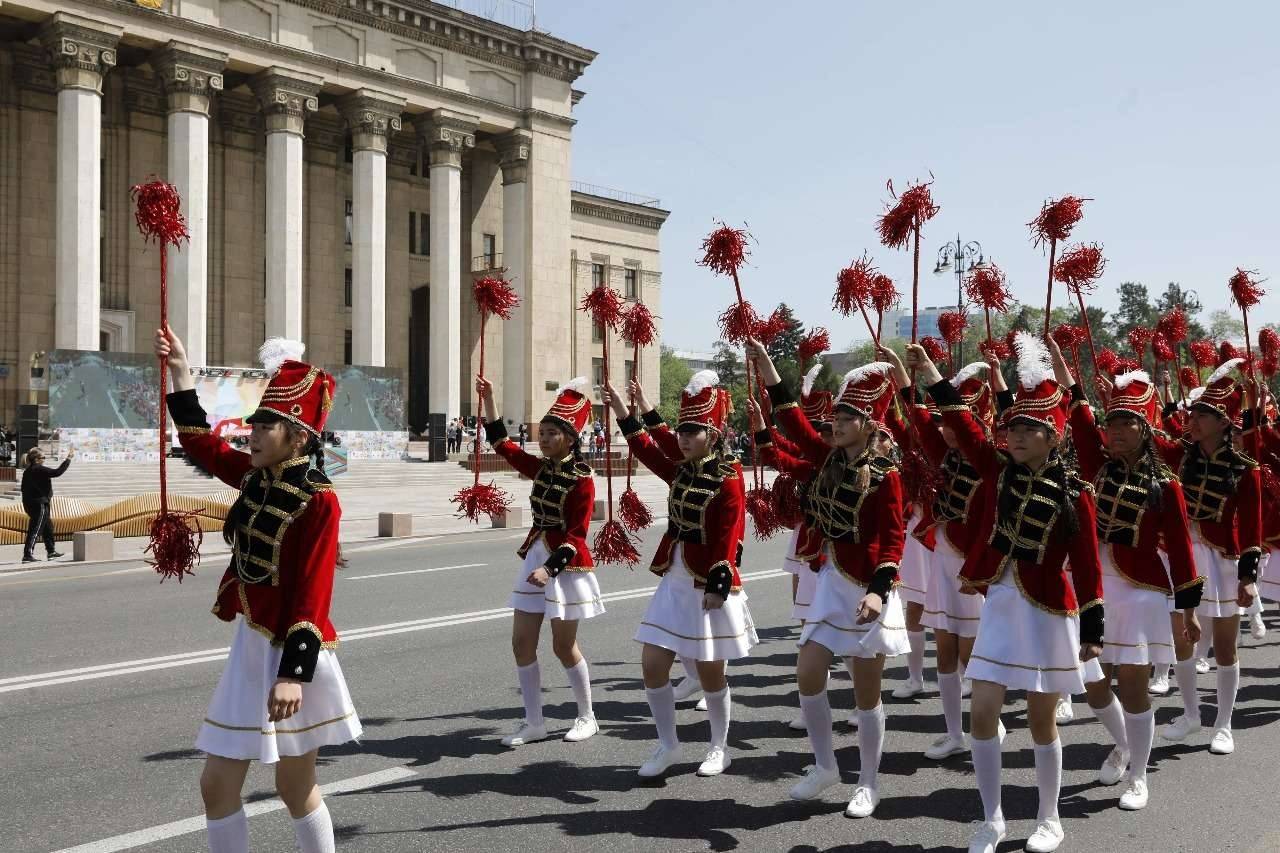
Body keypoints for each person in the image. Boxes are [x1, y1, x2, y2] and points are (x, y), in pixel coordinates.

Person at [155, 326, 360, 853]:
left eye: (267, 425)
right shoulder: (252, 477)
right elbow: (200, 442)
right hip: (250, 646)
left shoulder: (319, 500)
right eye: (255, 422)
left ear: (299, 436)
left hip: (294, 654)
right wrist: (181, 372)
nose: (253, 433)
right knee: (216, 786)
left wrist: (294, 674)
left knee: (295, 787)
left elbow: (313, 594)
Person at [910, 333, 1104, 853]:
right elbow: (967, 429)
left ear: (1051, 436)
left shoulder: (1074, 493)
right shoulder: (996, 472)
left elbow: (1086, 564)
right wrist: (932, 373)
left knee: (1041, 719)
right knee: (983, 711)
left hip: (1048, 611)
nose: (1014, 436)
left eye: (1027, 429)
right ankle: (992, 818)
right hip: (999, 604)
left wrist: (1093, 628)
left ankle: (1048, 817)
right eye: (1011, 427)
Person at [747, 338, 908, 820]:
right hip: (830, 582)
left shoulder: (885, 476)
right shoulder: (827, 458)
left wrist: (880, 593)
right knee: (808, 673)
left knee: (866, 694)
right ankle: (824, 766)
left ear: (869, 424)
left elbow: (893, 538)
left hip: (867, 589)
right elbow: (793, 421)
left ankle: (869, 781)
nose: (835, 426)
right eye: (834, 419)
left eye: (846, 420)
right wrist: (770, 372)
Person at [1050, 337, 1201, 811]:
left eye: (1124, 424)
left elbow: (1180, 552)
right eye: (1110, 422)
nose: (1113, 431)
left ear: (1144, 429)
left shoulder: (1166, 485)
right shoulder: (1096, 467)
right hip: (1094, 589)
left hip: (1142, 594)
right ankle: (1126, 745)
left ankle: (1139, 775)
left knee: (1133, 686)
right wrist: (1059, 360)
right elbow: (1078, 415)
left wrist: (1188, 612)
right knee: (1092, 682)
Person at [603, 370, 755, 779]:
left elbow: (728, 534)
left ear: (713, 433)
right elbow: (647, 448)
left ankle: (719, 746)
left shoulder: (728, 477)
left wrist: (718, 586)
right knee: (653, 665)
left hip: (708, 585)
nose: (684, 438)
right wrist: (622, 408)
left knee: (710, 674)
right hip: (674, 580)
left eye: (693, 431)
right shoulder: (682, 470)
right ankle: (668, 745)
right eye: (682, 431)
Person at [880, 346, 1010, 760]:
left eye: (954, 423)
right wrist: (904, 373)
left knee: (974, 652)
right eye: (944, 425)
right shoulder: (946, 454)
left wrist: (932, 373)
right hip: (944, 562)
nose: (946, 431)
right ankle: (954, 732)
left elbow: (961, 429)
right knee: (946, 650)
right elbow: (917, 422)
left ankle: (989, 723)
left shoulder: (992, 461)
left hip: (977, 567)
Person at [1137, 357, 1261, 756]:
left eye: (1204, 415)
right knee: (1182, 640)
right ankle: (1191, 715)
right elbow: (1152, 439)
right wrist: (1140, 402)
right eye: (1194, 413)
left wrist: (1248, 576)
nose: (1194, 420)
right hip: (1184, 557)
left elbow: (1253, 528)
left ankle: (1223, 724)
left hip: (1223, 562)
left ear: (1225, 421)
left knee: (1224, 647)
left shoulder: (1246, 469)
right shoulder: (1182, 456)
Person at [478, 375, 603, 746]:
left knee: (563, 646)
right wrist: (489, 400)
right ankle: (534, 722)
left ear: (569, 437)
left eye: (551, 433)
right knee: (521, 644)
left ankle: (587, 715)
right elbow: (502, 445)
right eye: (542, 432)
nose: (543, 438)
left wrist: (550, 568)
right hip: (534, 557)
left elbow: (578, 534)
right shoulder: (542, 469)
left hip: (565, 566)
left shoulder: (582, 478)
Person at [20, 445, 73, 562]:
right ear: (37, 459)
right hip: (39, 504)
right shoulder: (38, 469)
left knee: (47, 527)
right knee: (35, 529)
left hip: (31, 503)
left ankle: (51, 551)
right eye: (43, 457)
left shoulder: (28, 471)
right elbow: (57, 472)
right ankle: (27, 554)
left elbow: (23, 489)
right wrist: (68, 459)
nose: (44, 459)